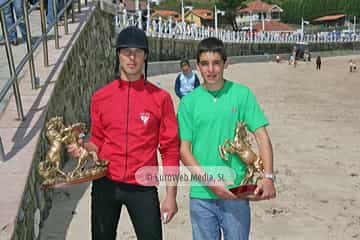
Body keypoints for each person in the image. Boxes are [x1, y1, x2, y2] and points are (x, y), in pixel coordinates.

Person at [67, 26, 180, 240]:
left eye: (138, 52)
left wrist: (171, 195)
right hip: (105, 183)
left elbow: (170, 150)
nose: (132, 57)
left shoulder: (160, 99)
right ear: (118, 54)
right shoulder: (100, 97)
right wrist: (82, 148)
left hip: (143, 186)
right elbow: (97, 141)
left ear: (146, 55)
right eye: (126, 51)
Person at [177, 37, 276, 240]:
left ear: (225, 63)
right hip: (202, 194)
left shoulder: (242, 95)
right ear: (198, 66)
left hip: (236, 193)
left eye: (216, 63)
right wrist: (211, 183)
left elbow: (261, 136)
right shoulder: (188, 103)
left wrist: (268, 177)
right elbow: (183, 150)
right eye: (204, 63)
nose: (210, 69)